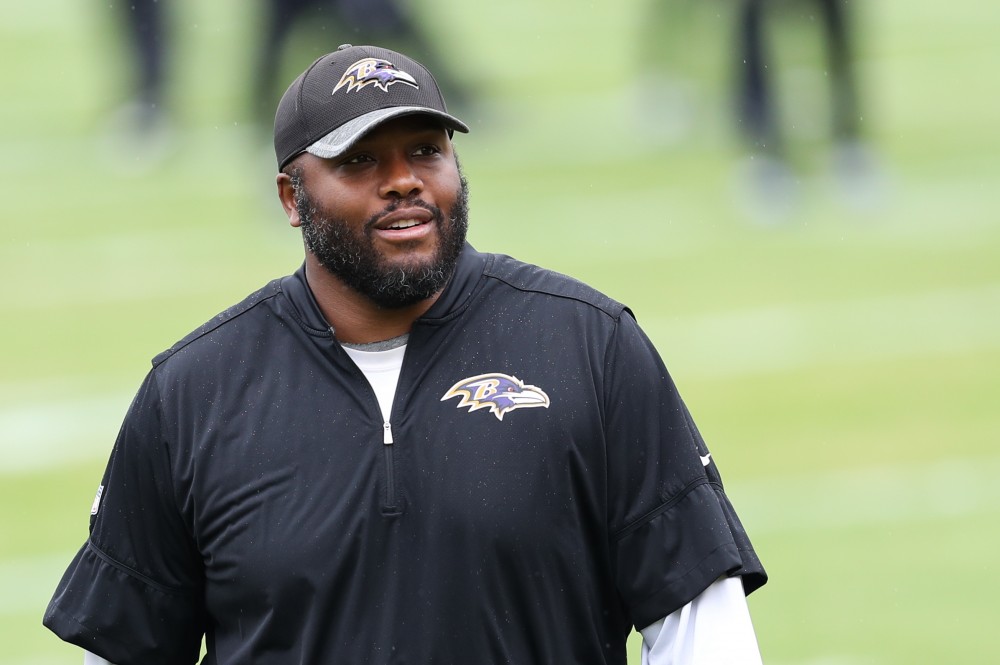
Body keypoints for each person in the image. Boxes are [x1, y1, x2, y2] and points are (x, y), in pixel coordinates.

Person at [43, 44, 767, 664]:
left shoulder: (590, 345)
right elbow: (121, 645)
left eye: (427, 150)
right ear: (292, 197)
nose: (404, 181)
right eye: (360, 160)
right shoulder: (193, 393)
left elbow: (702, 627)